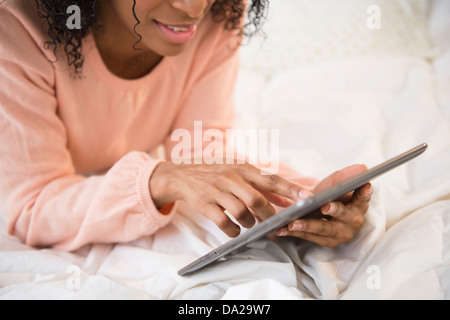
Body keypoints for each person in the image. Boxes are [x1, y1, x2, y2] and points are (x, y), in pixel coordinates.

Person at [0, 0, 373, 251]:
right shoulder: (14, 26)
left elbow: (202, 151)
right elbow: (30, 206)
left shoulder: (221, 9)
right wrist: (160, 179)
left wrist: (305, 201)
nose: (192, 8)